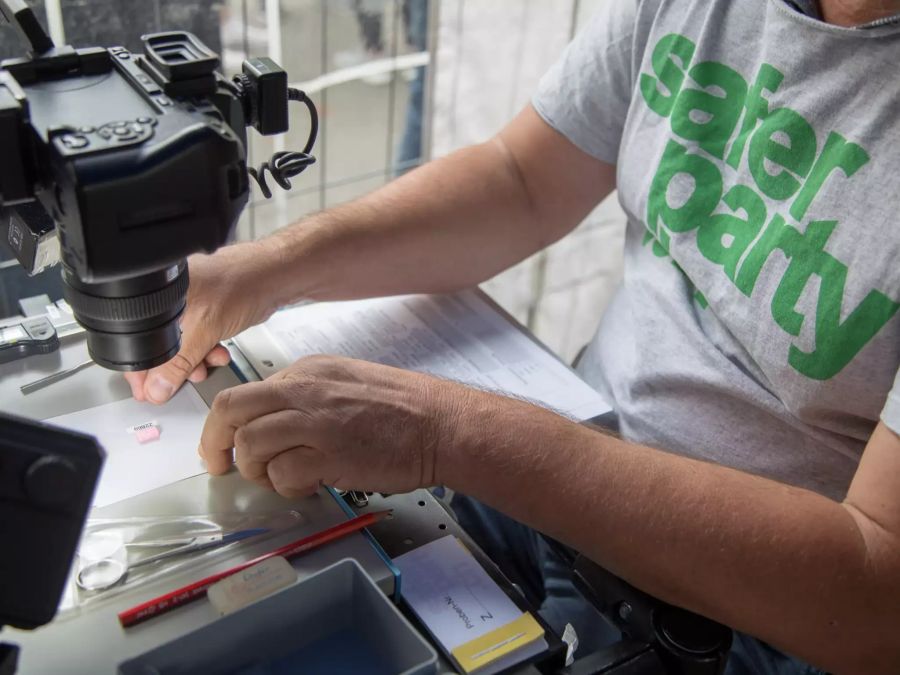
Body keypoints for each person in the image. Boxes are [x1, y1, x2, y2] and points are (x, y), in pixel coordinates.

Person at [125, 0, 900, 672]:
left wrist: (445, 432)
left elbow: (876, 593)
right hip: (567, 462)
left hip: (759, 616)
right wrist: (264, 269)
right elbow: (522, 182)